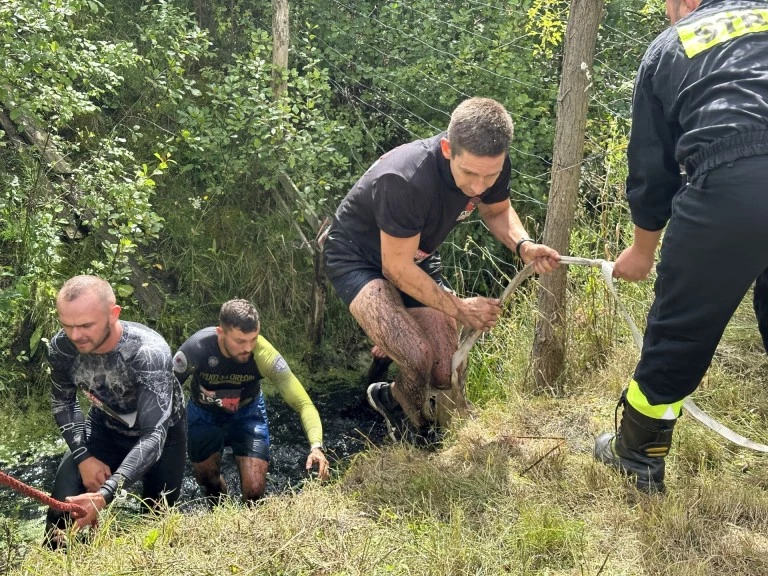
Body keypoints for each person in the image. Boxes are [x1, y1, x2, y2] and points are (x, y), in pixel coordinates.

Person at [594, 0, 768, 493]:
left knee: (680, 331)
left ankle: (637, 458)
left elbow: (652, 172)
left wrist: (642, 250)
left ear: (688, 2)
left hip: (733, 179)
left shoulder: (670, 45)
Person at [323, 97, 560, 441]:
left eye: (489, 175)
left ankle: (388, 397)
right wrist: (459, 308)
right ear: (448, 148)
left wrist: (523, 245)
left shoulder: (491, 164)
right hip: (358, 256)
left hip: (415, 254)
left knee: (444, 370)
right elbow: (395, 268)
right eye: (470, 174)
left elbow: (496, 211)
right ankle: (409, 421)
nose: (479, 186)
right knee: (416, 355)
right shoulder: (405, 178)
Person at [45, 275, 186, 547]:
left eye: (86, 325)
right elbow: (63, 402)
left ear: (113, 314)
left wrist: (105, 494)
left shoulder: (148, 352)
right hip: (105, 426)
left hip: (162, 433)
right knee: (59, 515)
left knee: (156, 523)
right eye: (67, 325)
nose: (76, 336)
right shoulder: (62, 348)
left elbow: (153, 436)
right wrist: (84, 457)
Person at [173, 299, 329, 503]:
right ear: (221, 332)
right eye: (240, 341)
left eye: (253, 339)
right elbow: (165, 389)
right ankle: (220, 513)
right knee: (207, 481)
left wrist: (316, 446)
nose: (248, 348)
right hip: (204, 414)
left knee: (255, 490)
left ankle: (249, 526)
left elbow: (303, 403)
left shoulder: (265, 355)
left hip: (248, 414)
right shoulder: (197, 347)